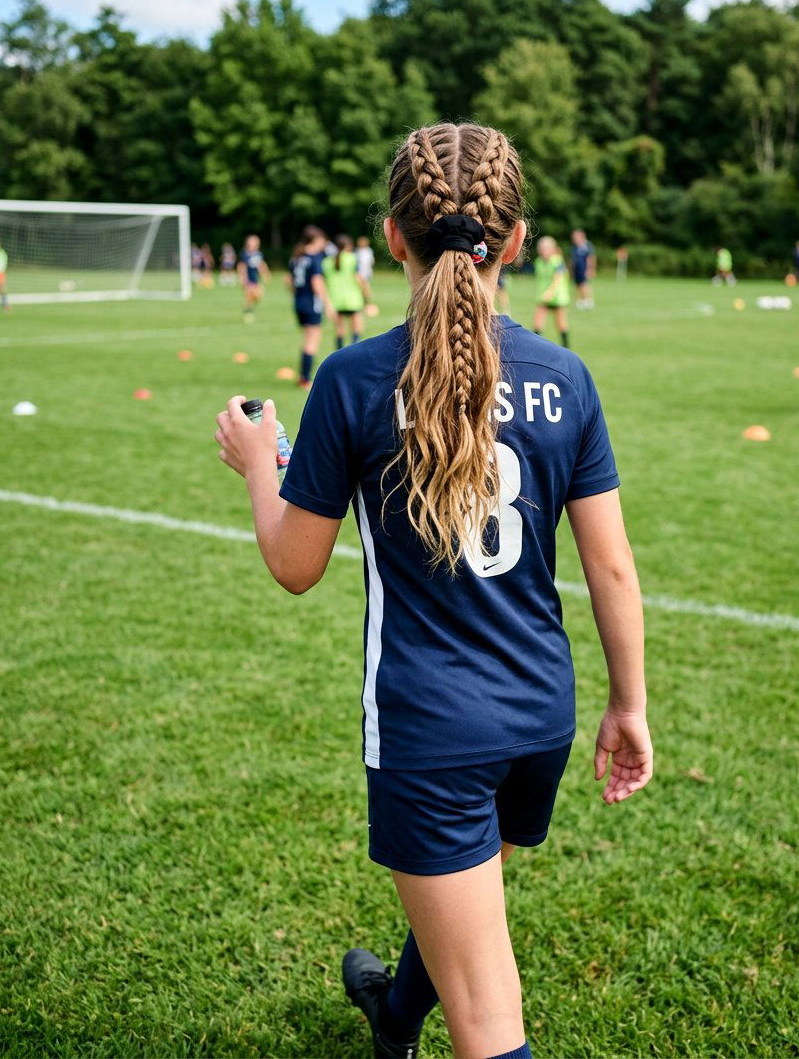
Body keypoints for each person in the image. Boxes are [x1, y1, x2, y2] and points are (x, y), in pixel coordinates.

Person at [214, 122, 652, 1059]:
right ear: (521, 242)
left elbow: (295, 565)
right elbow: (612, 566)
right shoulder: (564, 377)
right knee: (466, 898)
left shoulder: (355, 377)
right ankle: (391, 1012)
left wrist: (260, 462)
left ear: (391, 237)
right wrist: (630, 704)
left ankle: (411, 1016)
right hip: (540, 713)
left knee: (490, 1021)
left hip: (431, 725)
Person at [288, 226, 332, 388]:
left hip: (299, 302)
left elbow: (289, 282)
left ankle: (303, 376)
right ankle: (305, 379)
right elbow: (317, 283)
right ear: (315, 240)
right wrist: (328, 304)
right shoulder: (314, 258)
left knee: (307, 338)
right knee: (312, 340)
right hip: (312, 304)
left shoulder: (296, 257)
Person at [323, 234, 370, 348]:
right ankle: (354, 351)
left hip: (335, 299)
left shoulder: (327, 261)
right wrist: (367, 293)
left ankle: (339, 353)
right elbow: (359, 278)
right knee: (356, 327)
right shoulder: (352, 258)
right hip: (352, 298)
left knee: (339, 329)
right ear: (348, 245)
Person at [532, 236, 571, 347]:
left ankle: (566, 347)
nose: (544, 251)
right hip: (543, 296)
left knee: (561, 324)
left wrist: (550, 292)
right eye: (542, 248)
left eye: (546, 248)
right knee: (537, 323)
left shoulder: (557, 261)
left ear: (552, 249)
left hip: (557, 297)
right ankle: (536, 346)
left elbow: (558, 279)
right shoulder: (538, 262)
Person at [238, 234, 270, 323]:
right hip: (248, 279)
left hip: (255, 279)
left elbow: (261, 265)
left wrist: (265, 274)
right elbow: (241, 267)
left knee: (258, 296)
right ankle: (248, 314)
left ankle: (247, 308)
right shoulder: (245, 254)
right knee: (249, 296)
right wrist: (243, 279)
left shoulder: (258, 254)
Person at [570, 228, 595, 309]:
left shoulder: (587, 245)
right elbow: (572, 260)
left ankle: (589, 300)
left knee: (584, 285)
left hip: (584, 269)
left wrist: (590, 269)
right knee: (578, 285)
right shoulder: (574, 247)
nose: (574, 239)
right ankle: (581, 300)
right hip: (577, 269)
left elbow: (591, 258)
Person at [0, 239, 8, 311]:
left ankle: (4, 305)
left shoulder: (2, 253)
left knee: (2, 289)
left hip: (0, 273)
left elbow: (4, 263)